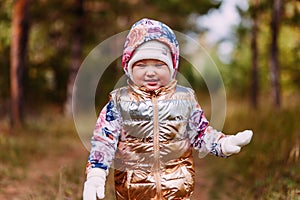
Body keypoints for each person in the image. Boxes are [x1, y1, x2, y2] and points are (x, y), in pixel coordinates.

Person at [83, 18, 253, 200]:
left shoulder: (184, 99)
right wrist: (96, 172)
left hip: (177, 188)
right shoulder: (119, 103)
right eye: (141, 65)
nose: (150, 72)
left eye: (159, 64)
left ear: (172, 67)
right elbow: (104, 140)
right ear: (129, 67)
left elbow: (200, 133)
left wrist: (222, 144)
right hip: (133, 191)